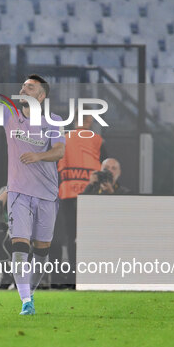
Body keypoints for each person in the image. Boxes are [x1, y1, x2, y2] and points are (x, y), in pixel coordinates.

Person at [0, 54, 66, 315]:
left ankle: (29, 294)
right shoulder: (11, 114)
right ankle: (26, 301)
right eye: (23, 86)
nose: (23, 89)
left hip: (47, 196)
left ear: (42, 96)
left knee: (42, 251)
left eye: (30, 87)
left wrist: (39, 156)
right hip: (18, 194)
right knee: (19, 245)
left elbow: (59, 152)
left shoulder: (54, 120)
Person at [54, 115, 107, 286]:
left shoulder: (63, 140)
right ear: (90, 121)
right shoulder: (98, 141)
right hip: (91, 195)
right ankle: (90, 275)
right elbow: (106, 169)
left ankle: (72, 277)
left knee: (71, 237)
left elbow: (54, 166)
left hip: (67, 193)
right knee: (91, 237)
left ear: (74, 120)